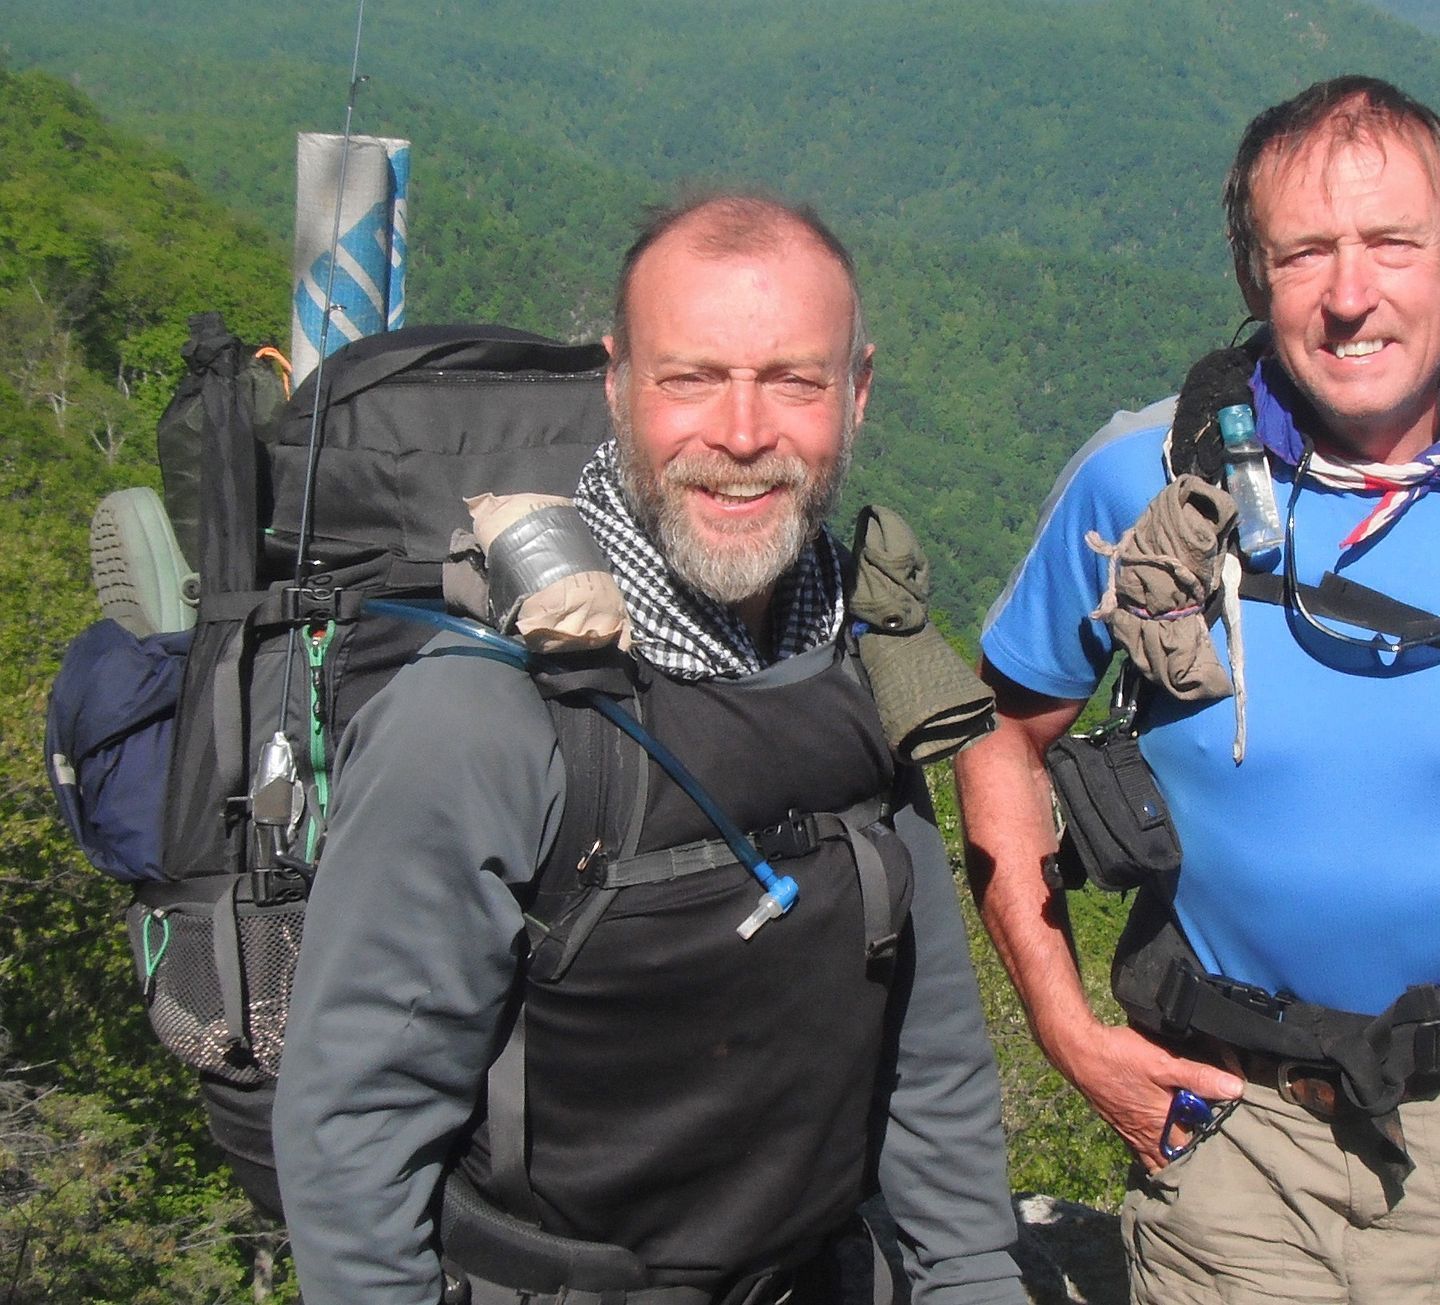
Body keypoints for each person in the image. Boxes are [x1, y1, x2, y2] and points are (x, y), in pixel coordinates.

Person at [955, 76, 1440, 1304]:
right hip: (1227, 1136)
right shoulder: (1145, 483)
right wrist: (1071, 1034)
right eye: (1305, 252)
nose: (1351, 295)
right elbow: (999, 735)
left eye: (1392, 242)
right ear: (1255, 278)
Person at [274, 194, 1025, 1305]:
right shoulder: (485, 721)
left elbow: (932, 1045)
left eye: (793, 380)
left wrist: (970, 1278)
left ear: (856, 394)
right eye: (691, 377)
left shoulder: (857, 659)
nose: (740, 432)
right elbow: (355, 1130)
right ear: (617, 386)